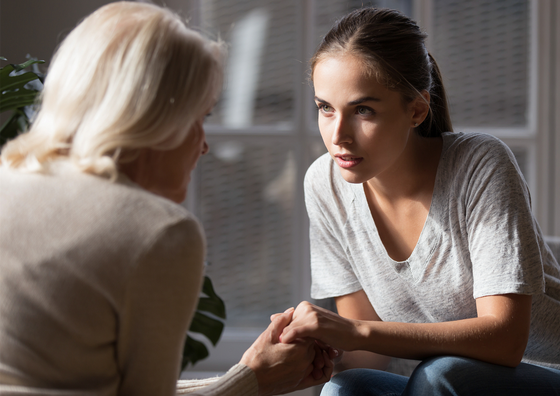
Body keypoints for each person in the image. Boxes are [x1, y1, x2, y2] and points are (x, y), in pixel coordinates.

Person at [276, 7, 560, 396]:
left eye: (364, 110)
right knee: (347, 388)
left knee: (443, 375)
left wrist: (356, 332)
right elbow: (365, 351)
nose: (339, 136)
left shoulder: (480, 164)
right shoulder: (324, 183)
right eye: (325, 108)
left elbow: (505, 341)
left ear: (416, 109)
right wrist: (302, 356)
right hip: (456, 385)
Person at [0, 2, 333, 396]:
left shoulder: (10, 182)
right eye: (199, 118)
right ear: (153, 119)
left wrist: (247, 375)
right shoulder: (158, 231)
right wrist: (253, 383)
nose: (204, 144)